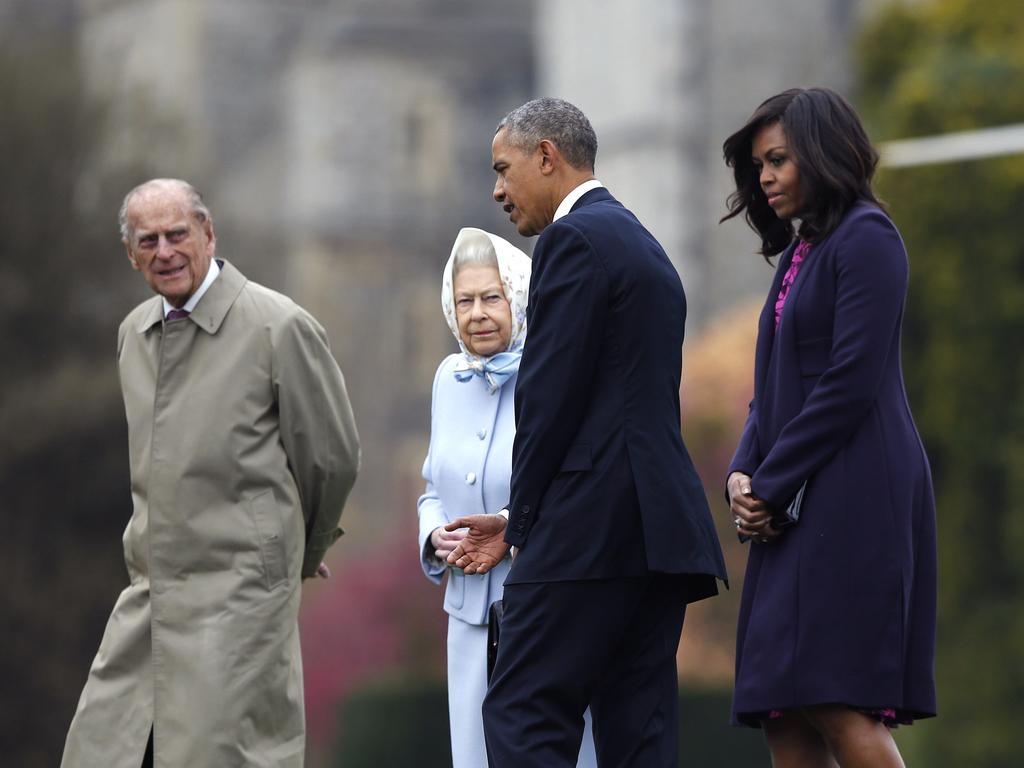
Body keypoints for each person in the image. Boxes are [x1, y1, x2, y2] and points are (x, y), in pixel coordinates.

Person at [445, 98, 727, 767]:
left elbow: (549, 400)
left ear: (547, 156)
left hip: (584, 535)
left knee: (523, 713)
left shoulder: (572, 242)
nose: (496, 190)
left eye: (504, 169)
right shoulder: (642, 242)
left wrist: (523, 527)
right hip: (657, 537)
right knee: (639, 737)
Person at [61, 178, 360, 768]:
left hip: (240, 597)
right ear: (130, 253)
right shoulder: (133, 335)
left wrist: (302, 548)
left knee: (222, 755)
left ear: (208, 234)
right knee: (101, 747)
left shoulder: (280, 326)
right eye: (148, 241)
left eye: (178, 235)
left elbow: (332, 457)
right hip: (148, 596)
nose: (165, 251)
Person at [721, 88, 937, 767]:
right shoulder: (799, 254)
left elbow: (850, 381)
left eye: (779, 159)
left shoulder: (868, 238)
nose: (765, 177)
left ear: (823, 152)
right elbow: (772, 389)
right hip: (790, 499)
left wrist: (770, 484)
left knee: (836, 699)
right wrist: (739, 475)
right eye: (759, 165)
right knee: (783, 712)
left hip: (852, 494)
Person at [418, 227, 597, 767]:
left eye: (492, 297)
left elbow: (574, 483)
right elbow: (433, 484)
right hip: (469, 611)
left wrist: (504, 521)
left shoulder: (553, 373)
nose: (478, 313)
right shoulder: (447, 378)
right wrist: (434, 534)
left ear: (519, 295)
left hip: (543, 604)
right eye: (464, 300)